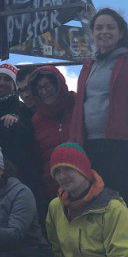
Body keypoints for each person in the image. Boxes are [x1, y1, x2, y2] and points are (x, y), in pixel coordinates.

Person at [69, 8, 128, 257]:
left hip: (120, 147)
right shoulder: (89, 66)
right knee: (94, 206)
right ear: (93, 33)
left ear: (120, 33)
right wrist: (75, 148)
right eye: (99, 28)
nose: (104, 32)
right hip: (90, 148)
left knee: (125, 207)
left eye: (110, 27)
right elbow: (79, 108)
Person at [29, 66, 77, 221]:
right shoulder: (37, 120)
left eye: (47, 86)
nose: (44, 92)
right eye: (39, 89)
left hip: (83, 182)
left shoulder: (76, 103)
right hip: (53, 187)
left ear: (58, 84)